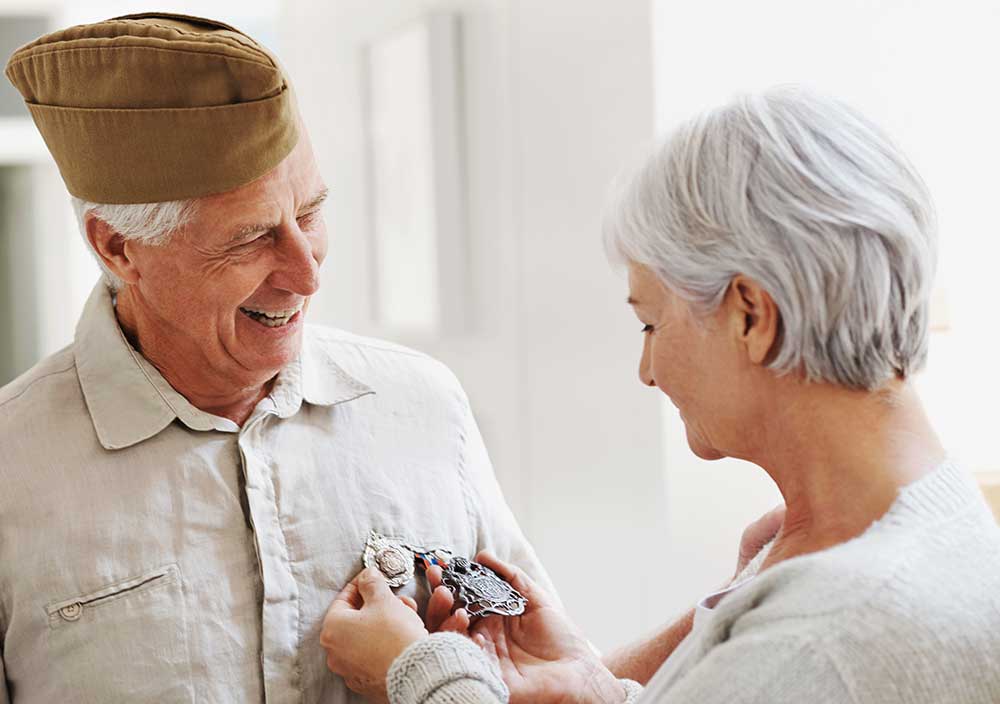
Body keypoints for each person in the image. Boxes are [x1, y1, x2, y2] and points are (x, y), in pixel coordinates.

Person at [319, 86, 1000, 703]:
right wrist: (595, 687)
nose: (647, 370)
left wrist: (420, 672)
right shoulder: (916, 522)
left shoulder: (821, 636)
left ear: (750, 316)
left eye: (651, 321)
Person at [0, 13, 555, 703]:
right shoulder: (10, 470)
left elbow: (548, 673)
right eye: (253, 236)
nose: (307, 272)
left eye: (312, 213)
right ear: (117, 248)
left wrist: (724, 614)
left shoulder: (426, 405)